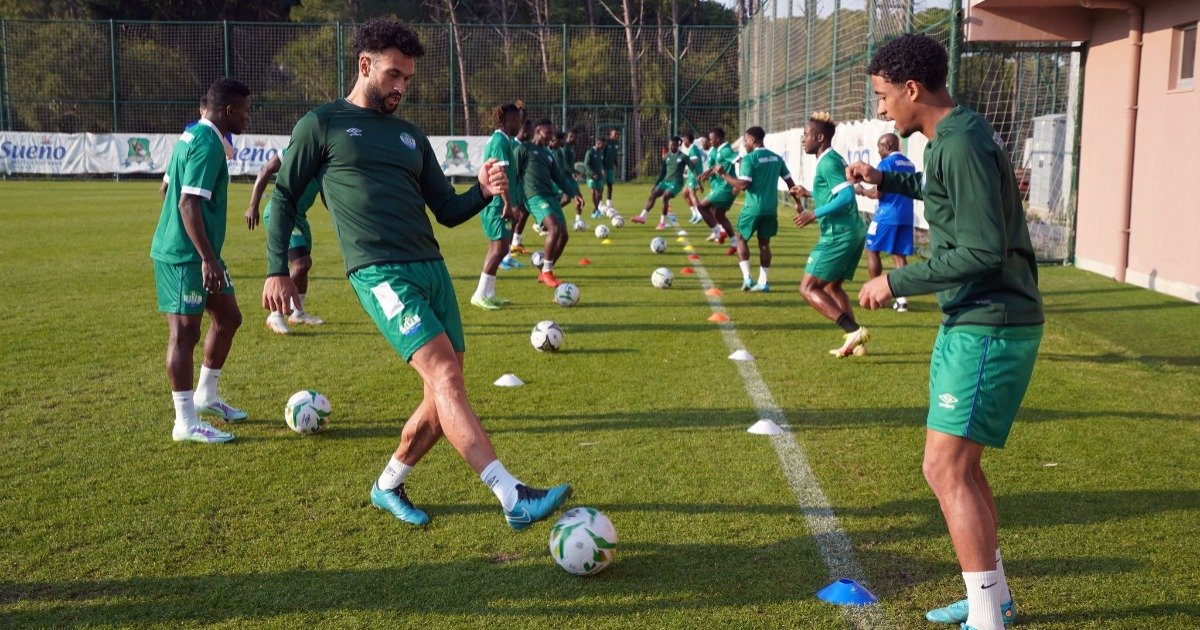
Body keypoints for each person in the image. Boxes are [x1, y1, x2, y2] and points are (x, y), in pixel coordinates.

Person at [262, 18, 571, 530]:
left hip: (432, 268)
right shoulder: (323, 124)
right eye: (393, 75)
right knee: (446, 376)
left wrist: (485, 192)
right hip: (379, 272)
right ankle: (511, 494)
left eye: (408, 78)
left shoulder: (410, 135)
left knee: (440, 393)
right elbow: (285, 196)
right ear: (365, 66)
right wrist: (276, 270)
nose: (402, 87)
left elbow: (447, 210)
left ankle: (388, 483)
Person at [849, 33, 1043, 630]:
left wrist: (895, 284)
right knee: (963, 466)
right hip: (973, 319)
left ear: (912, 90)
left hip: (991, 321)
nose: (881, 109)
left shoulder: (957, 145)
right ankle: (995, 597)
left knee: (946, 470)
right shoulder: (953, 135)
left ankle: (987, 616)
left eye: (884, 97)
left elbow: (983, 250)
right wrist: (887, 181)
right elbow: (949, 199)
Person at [150, 78, 252, 444]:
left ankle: (206, 395)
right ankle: (185, 422)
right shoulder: (208, 144)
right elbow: (186, 201)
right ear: (228, 111)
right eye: (244, 110)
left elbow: (166, 188)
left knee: (228, 318)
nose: (246, 117)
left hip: (201, 252)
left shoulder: (191, 135)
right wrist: (205, 257)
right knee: (184, 334)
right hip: (186, 256)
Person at [792, 111, 869, 358]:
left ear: (820, 137)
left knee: (807, 288)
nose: (804, 140)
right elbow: (836, 193)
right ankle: (857, 341)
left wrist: (814, 214)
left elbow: (847, 197)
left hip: (839, 234)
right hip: (854, 231)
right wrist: (810, 194)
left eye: (807, 135)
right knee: (834, 287)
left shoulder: (827, 162)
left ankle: (853, 330)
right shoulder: (832, 159)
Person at [246, 149, 325, 333]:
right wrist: (253, 206)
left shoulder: (330, 156)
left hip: (299, 217)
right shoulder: (299, 148)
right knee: (301, 263)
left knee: (304, 265)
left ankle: (298, 313)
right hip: (279, 213)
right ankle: (275, 314)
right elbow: (266, 169)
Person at [714, 126, 802, 292]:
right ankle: (763, 282)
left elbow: (743, 185)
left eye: (746, 140)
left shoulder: (750, 159)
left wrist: (724, 175)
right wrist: (798, 203)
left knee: (740, 239)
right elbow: (791, 184)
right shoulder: (776, 158)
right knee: (764, 244)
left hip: (753, 208)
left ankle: (747, 278)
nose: (744, 144)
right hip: (771, 209)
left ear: (754, 140)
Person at [469, 101, 524, 311]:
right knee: (499, 247)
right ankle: (479, 294)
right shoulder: (499, 142)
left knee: (501, 247)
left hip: (501, 204)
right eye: (515, 120)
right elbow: (499, 176)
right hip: (495, 205)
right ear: (504, 120)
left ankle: (490, 293)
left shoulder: (506, 141)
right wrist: (508, 204)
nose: (519, 123)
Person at [855, 132, 916, 312]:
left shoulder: (885, 163)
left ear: (887, 146)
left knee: (871, 249)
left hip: (887, 215)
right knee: (899, 255)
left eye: (880, 146)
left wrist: (862, 191)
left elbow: (877, 194)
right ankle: (902, 301)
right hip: (906, 215)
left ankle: (875, 295)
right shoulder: (909, 164)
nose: (878, 150)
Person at [525, 118, 584, 288]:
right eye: (547, 132)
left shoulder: (547, 154)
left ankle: (545, 270)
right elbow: (514, 174)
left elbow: (559, 177)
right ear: (537, 131)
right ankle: (547, 273)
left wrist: (574, 194)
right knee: (554, 228)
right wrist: (514, 201)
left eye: (552, 133)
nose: (550, 136)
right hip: (535, 196)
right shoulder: (525, 149)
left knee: (564, 236)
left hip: (550, 197)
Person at [697, 127, 739, 254]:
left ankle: (717, 232)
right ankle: (734, 243)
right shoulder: (718, 150)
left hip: (726, 187)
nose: (709, 141)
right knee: (719, 215)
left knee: (701, 207)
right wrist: (707, 173)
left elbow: (741, 160)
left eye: (711, 139)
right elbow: (716, 167)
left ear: (718, 138)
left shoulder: (725, 150)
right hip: (722, 187)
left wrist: (739, 183)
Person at [633, 136, 688, 229]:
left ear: (678, 146)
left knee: (665, 197)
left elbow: (693, 168)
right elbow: (662, 173)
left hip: (677, 183)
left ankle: (662, 223)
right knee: (653, 194)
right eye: (670, 145)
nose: (671, 147)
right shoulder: (666, 156)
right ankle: (642, 217)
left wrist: (697, 177)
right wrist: (656, 185)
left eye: (673, 145)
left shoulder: (683, 156)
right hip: (666, 181)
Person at [510, 119, 537, 251]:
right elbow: (514, 169)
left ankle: (516, 241)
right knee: (517, 214)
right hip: (516, 187)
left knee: (524, 212)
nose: (532, 133)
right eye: (531, 130)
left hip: (524, 187)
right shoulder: (514, 144)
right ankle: (509, 247)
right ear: (524, 131)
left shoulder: (526, 145)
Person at [551, 131, 585, 231]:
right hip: (564, 177)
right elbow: (564, 165)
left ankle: (578, 221)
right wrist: (575, 172)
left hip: (569, 177)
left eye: (574, 137)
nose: (572, 138)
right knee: (566, 199)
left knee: (579, 198)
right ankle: (549, 215)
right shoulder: (564, 148)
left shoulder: (570, 148)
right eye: (571, 136)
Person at [681, 131, 708, 224]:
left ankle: (700, 214)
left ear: (687, 140)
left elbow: (695, 161)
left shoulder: (693, 148)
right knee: (685, 194)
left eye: (684, 139)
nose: (683, 142)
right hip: (691, 174)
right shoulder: (691, 149)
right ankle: (695, 213)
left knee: (692, 194)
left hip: (695, 174)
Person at [584, 138, 607, 218]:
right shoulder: (590, 152)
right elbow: (586, 164)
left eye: (604, 145)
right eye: (602, 145)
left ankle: (597, 208)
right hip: (591, 177)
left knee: (600, 193)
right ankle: (596, 209)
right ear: (598, 143)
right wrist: (593, 174)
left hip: (600, 176)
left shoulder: (600, 153)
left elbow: (600, 164)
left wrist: (602, 170)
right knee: (593, 192)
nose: (603, 147)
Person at [602, 127, 621, 210]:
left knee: (610, 185)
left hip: (610, 168)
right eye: (615, 133)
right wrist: (601, 167)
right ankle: (599, 205)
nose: (617, 135)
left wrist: (616, 165)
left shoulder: (617, 143)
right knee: (600, 186)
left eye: (618, 134)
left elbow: (614, 155)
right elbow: (601, 154)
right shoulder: (606, 143)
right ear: (610, 134)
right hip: (603, 167)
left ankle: (608, 203)